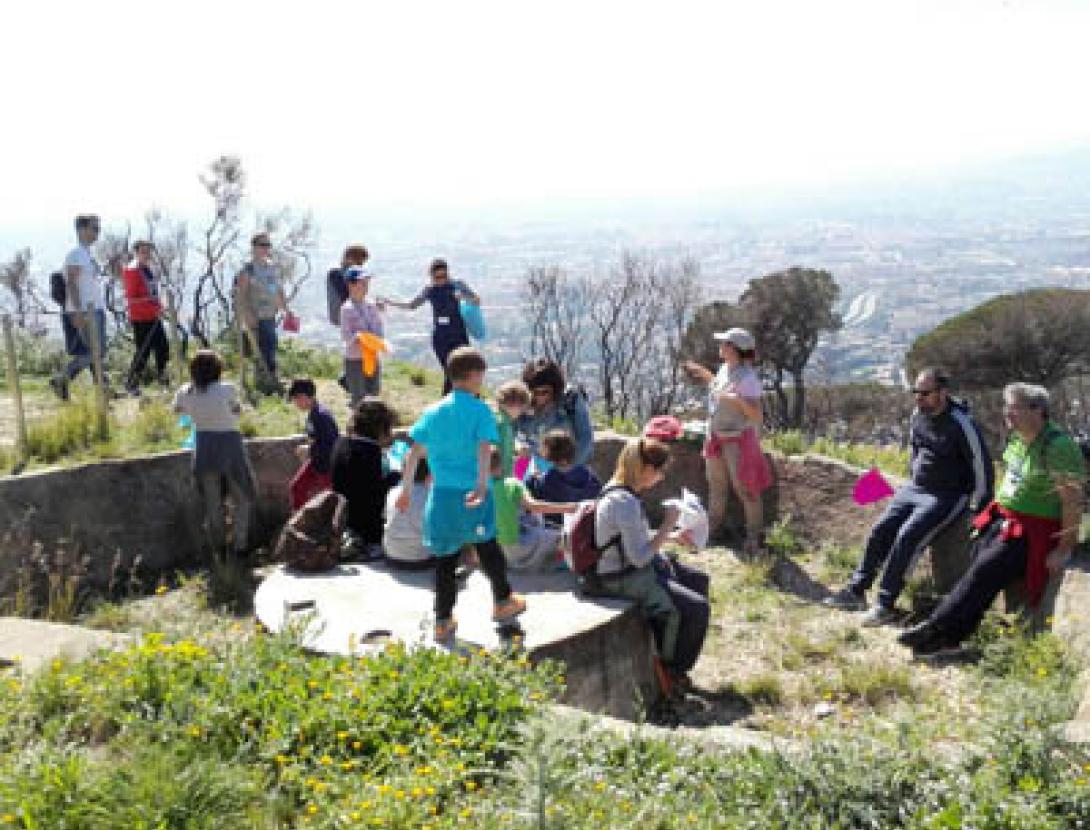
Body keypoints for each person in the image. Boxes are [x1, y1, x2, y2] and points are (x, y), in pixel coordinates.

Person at [899, 383, 1084, 656]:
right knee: (978, 566)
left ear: (1038, 411)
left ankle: (938, 631)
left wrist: (1064, 549)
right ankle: (952, 633)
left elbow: (1073, 501)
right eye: (1006, 406)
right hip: (1006, 518)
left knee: (986, 568)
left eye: (1014, 407)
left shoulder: (1058, 446)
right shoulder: (1018, 439)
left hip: (1032, 530)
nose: (1007, 413)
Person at [826, 368, 993, 626]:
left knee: (908, 536)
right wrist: (913, 474)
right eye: (916, 392)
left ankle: (885, 604)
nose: (919, 398)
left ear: (943, 393)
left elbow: (982, 466)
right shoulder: (919, 415)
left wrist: (979, 506)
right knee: (881, 530)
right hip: (915, 488)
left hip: (947, 494)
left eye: (925, 393)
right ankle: (856, 590)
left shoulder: (962, 424)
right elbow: (916, 448)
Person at [394, 347, 527, 642]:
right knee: (488, 547)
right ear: (476, 376)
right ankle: (503, 602)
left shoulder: (433, 411)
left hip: (440, 497)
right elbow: (484, 449)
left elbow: (413, 454)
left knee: (445, 560)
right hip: (471, 493)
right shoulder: (480, 410)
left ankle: (442, 620)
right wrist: (481, 483)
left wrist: (405, 492)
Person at [592, 437, 710, 697]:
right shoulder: (624, 503)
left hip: (627, 566)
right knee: (695, 608)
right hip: (619, 577)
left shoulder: (620, 492)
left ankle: (675, 649)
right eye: (660, 470)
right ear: (645, 469)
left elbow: (633, 539)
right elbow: (640, 558)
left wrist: (670, 536)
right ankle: (673, 670)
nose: (661, 476)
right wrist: (669, 524)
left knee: (698, 580)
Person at [683, 327, 767, 557]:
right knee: (716, 486)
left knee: (746, 489)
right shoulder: (723, 370)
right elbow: (718, 391)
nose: (720, 346)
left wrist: (735, 398)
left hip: (737, 442)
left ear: (735, 349)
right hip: (717, 438)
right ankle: (712, 531)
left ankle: (754, 537)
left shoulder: (748, 378)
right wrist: (705, 375)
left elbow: (756, 415)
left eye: (725, 343)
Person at [171, 350, 255, 559]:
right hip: (230, 446)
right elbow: (237, 411)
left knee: (212, 503)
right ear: (218, 370)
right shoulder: (227, 390)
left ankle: (219, 548)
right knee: (241, 498)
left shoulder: (186, 392)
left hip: (204, 447)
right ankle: (240, 545)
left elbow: (177, 410)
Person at [381, 258, 480, 394]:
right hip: (441, 337)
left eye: (444, 276)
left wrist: (462, 297)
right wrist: (390, 302)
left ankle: (471, 401)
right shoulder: (429, 290)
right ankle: (450, 404)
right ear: (431, 276)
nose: (441, 280)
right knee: (450, 373)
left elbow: (476, 299)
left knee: (466, 369)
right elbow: (412, 305)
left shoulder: (457, 285)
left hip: (459, 335)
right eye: (437, 277)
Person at [330, 398, 401, 562]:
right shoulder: (369, 453)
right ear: (380, 427)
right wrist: (396, 476)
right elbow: (374, 495)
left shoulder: (341, 443)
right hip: (364, 523)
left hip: (344, 515)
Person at [51, 214, 108, 400]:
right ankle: (61, 379)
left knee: (96, 354)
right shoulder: (76, 254)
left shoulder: (87, 254)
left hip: (94, 309)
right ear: (82, 230)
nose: (97, 233)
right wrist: (75, 311)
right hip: (83, 310)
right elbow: (72, 284)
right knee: (92, 353)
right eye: (94, 229)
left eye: (98, 229)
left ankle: (103, 392)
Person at [491, 448, 578, 571]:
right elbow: (534, 506)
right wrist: (571, 507)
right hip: (519, 548)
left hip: (495, 553)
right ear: (500, 464)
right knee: (562, 537)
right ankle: (559, 562)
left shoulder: (474, 491)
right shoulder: (511, 484)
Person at [235, 232, 292, 389]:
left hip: (270, 314)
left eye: (268, 245)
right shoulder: (247, 270)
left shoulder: (271, 267)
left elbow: (276, 289)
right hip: (257, 316)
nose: (266, 248)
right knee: (263, 349)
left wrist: (285, 309)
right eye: (262, 245)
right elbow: (241, 295)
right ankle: (265, 381)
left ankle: (270, 379)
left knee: (271, 347)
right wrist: (247, 316)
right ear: (254, 247)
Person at [515, 358, 595, 467]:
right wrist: (519, 447)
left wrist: (566, 469)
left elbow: (585, 440)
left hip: (567, 468)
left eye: (545, 392)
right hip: (534, 470)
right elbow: (510, 432)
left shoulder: (570, 400)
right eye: (535, 392)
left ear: (555, 389)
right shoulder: (522, 402)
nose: (540, 397)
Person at [121, 240, 170, 394]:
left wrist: (160, 307)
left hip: (153, 316)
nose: (147, 255)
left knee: (162, 347)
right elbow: (132, 297)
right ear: (136, 253)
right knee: (143, 351)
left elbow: (152, 293)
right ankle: (131, 384)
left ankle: (163, 381)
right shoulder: (132, 270)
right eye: (143, 252)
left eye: (148, 251)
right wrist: (154, 308)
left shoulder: (147, 269)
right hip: (141, 318)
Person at [526, 430, 602, 525]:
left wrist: (533, 479)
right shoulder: (590, 476)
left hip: (553, 528)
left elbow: (531, 504)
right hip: (582, 527)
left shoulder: (542, 481)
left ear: (550, 451)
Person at [287, 378, 340, 510]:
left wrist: (309, 449)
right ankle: (299, 524)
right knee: (297, 487)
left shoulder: (322, 416)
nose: (295, 403)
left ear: (303, 396)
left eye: (295, 399)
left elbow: (331, 444)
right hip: (317, 462)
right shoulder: (314, 414)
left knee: (331, 502)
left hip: (328, 467)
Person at [340, 268, 385, 404]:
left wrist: (375, 340)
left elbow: (379, 329)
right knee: (359, 398)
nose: (366, 287)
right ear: (351, 285)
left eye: (367, 283)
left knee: (374, 395)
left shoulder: (372, 305)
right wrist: (358, 338)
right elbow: (346, 336)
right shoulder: (346, 309)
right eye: (362, 283)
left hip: (372, 357)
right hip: (355, 359)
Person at [383, 457, 434, 569]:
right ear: (430, 473)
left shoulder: (393, 491)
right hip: (421, 558)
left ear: (403, 471)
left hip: (391, 555)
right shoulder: (430, 496)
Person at [495, 380, 531, 478]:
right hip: (500, 477)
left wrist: (517, 448)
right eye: (521, 406)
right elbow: (502, 453)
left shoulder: (501, 419)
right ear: (513, 403)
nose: (522, 411)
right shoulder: (502, 423)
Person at [326, 244, 369, 326]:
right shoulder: (335, 274)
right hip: (343, 316)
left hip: (345, 315)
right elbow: (348, 297)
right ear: (350, 258)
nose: (361, 265)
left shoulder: (337, 274)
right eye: (359, 262)